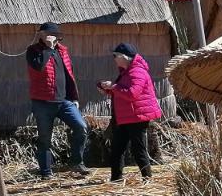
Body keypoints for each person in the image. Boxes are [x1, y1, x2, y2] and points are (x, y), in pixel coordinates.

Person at [25, 21, 88, 178]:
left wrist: (74, 97)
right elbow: (38, 66)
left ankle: (76, 163)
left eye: (53, 35)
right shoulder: (33, 51)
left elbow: (69, 74)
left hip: (64, 101)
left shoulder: (63, 51)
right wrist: (48, 48)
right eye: (46, 34)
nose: (50, 37)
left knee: (81, 127)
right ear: (41, 35)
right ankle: (46, 172)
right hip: (42, 102)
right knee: (45, 138)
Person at [98, 42, 162, 182]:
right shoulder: (126, 72)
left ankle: (147, 178)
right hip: (125, 117)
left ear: (123, 57)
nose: (114, 59)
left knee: (138, 149)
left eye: (115, 56)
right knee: (117, 149)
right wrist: (108, 90)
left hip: (137, 117)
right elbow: (122, 91)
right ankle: (116, 180)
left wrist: (113, 86)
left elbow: (132, 94)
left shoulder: (137, 72)